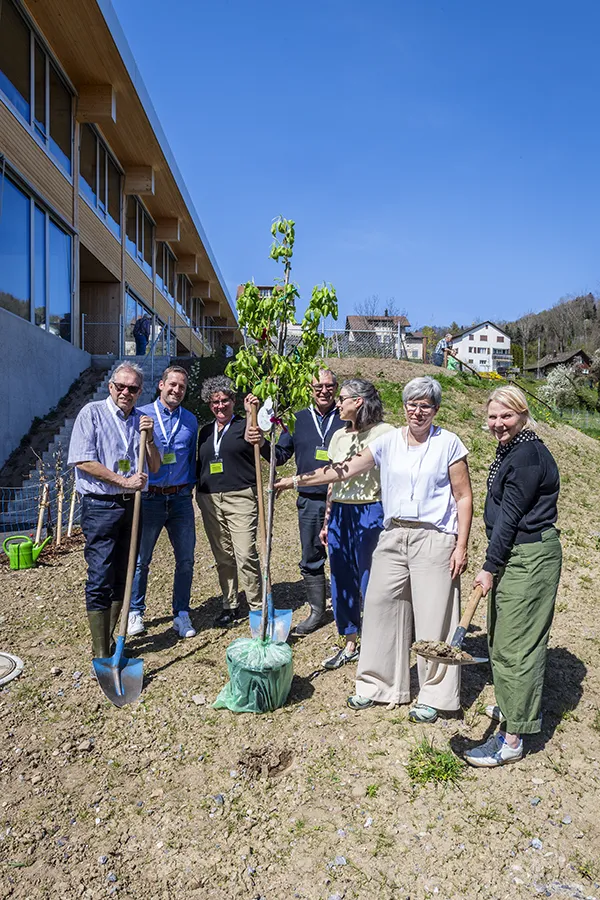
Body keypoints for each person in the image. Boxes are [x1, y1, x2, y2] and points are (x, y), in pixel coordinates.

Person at [276, 376, 473, 722]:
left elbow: (463, 496)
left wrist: (461, 545)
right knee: (381, 607)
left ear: (436, 409)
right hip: (393, 534)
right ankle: (377, 685)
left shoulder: (449, 443)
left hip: (435, 537)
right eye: (412, 403)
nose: (418, 411)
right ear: (405, 406)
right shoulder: (389, 442)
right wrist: (294, 480)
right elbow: (342, 470)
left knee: (434, 617)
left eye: (426, 405)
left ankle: (435, 695)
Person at [466, 386, 562, 767]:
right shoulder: (513, 450)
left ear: (522, 415)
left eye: (506, 416)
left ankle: (512, 740)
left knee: (516, 647)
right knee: (501, 639)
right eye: (492, 417)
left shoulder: (526, 455)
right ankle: (511, 706)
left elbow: (509, 517)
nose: (497, 424)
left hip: (529, 557)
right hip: (514, 555)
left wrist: (489, 566)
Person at [67, 362, 161, 659]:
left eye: (132, 388)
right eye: (120, 386)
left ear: (139, 391)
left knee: (125, 572)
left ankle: (112, 639)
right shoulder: (92, 413)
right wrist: (124, 481)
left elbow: (155, 467)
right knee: (100, 574)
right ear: (111, 386)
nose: (126, 392)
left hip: (132, 507)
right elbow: (83, 460)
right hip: (101, 506)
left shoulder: (142, 420)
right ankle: (100, 651)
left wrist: (152, 438)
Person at [245, 369, 345, 636]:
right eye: (317, 387)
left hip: (345, 500)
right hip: (311, 501)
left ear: (336, 387)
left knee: (344, 555)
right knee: (312, 556)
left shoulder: (347, 418)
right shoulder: (297, 419)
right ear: (309, 390)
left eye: (329, 386)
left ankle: (346, 606)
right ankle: (316, 611)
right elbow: (280, 454)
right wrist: (261, 442)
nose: (324, 391)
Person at [320, 379, 393, 669]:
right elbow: (331, 482)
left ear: (358, 402)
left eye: (342, 398)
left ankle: (378, 642)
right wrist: (327, 520)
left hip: (370, 510)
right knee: (340, 576)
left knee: (370, 579)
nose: (337, 403)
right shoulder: (338, 436)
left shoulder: (384, 433)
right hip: (340, 513)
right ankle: (350, 640)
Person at [128, 366, 198, 639]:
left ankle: (181, 613)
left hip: (180, 499)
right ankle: (135, 611)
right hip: (150, 498)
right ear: (160, 385)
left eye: (181, 386)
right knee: (141, 560)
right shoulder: (141, 415)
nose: (176, 390)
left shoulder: (190, 420)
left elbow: (191, 457)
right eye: (172, 384)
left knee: (186, 560)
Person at [196, 376, 265, 627]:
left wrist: (252, 419)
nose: (220, 406)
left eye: (225, 400)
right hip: (209, 498)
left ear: (233, 401)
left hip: (241, 497)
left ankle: (257, 606)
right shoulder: (205, 431)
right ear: (209, 404)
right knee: (223, 556)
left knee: (245, 552)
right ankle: (230, 604)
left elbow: (269, 454)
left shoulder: (246, 425)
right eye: (215, 402)